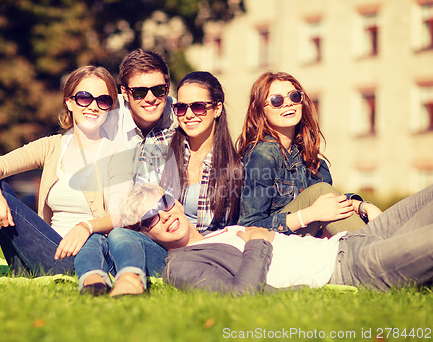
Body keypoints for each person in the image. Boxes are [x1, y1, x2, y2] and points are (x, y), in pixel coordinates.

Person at [0, 65, 133, 283]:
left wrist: (86, 227)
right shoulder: (53, 147)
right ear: (69, 102)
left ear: (111, 107)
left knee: (4, 199)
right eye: (84, 97)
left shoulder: (116, 153)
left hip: (82, 261)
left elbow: (122, 216)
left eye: (103, 100)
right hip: (41, 252)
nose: (93, 106)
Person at [121, 183, 433, 294]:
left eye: (163, 203)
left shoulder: (220, 230)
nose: (163, 216)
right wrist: (258, 242)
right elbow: (239, 296)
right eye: (149, 218)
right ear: (145, 231)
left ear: (175, 201)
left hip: (354, 240)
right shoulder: (180, 266)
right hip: (351, 268)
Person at [102, 71, 243, 296]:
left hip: (210, 257)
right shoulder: (159, 146)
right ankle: (129, 282)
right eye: (181, 107)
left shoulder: (235, 165)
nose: (188, 115)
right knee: (118, 236)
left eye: (198, 107)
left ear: (217, 109)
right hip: (164, 250)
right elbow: (140, 205)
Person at [73, 49, 179, 296]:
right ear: (125, 93)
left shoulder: (184, 118)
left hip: (167, 229)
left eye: (159, 90)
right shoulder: (106, 123)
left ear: (168, 87)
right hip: (115, 225)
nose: (150, 98)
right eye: (140, 92)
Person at [236, 71, 380, 237]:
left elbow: (330, 204)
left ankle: (380, 247)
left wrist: (362, 206)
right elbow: (248, 226)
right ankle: (375, 250)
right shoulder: (263, 154)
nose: (288, 103)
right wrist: (310, 214)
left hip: (305, 242)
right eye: (277, 100)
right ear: (260, 110)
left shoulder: (309, 158)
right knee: (320, 192)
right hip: (272, 246)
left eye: (294, 96)